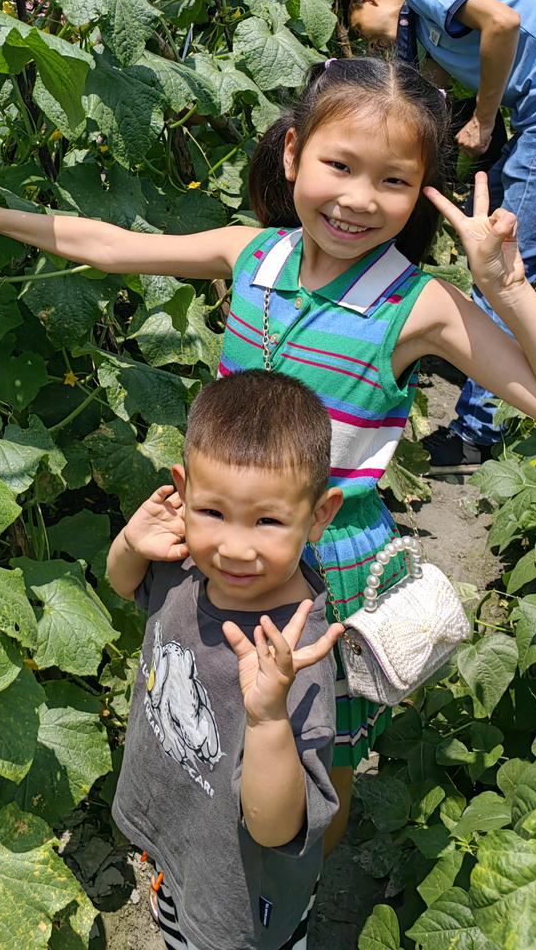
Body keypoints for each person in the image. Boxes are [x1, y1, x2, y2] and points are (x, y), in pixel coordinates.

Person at [0, 57, 536, 853]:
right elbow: (112, 245)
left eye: (392, 181)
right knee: (199, 702)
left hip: (326, 567)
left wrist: (510, 287)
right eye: (338, 164)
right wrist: (0, 216)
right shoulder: (254, 256)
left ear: (423, 192)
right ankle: (207, 864)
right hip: (216, 537)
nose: (357, 198)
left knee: (322, 750)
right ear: (292, 156)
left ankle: (292, 892)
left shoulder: (418, 304)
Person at [106, 370, 344, 949]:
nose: (235, 547)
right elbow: (125, 585)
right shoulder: (188, 565)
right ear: (183, 492)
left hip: (238, 898)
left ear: (319, 514)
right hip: (183, 842)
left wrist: (266, 717)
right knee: (174, 924)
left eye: (267, 521)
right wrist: (131, 544)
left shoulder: (295, 658)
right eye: (212, 512)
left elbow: (274, 826)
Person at [342, 0, 536, 471]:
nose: (373, 46)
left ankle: (475, 436)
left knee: (501, 264)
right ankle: (473, 352)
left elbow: (503, 22)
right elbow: (435, 76)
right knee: (489, 218)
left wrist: (482, 117)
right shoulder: (431, 25)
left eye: (362, 32)